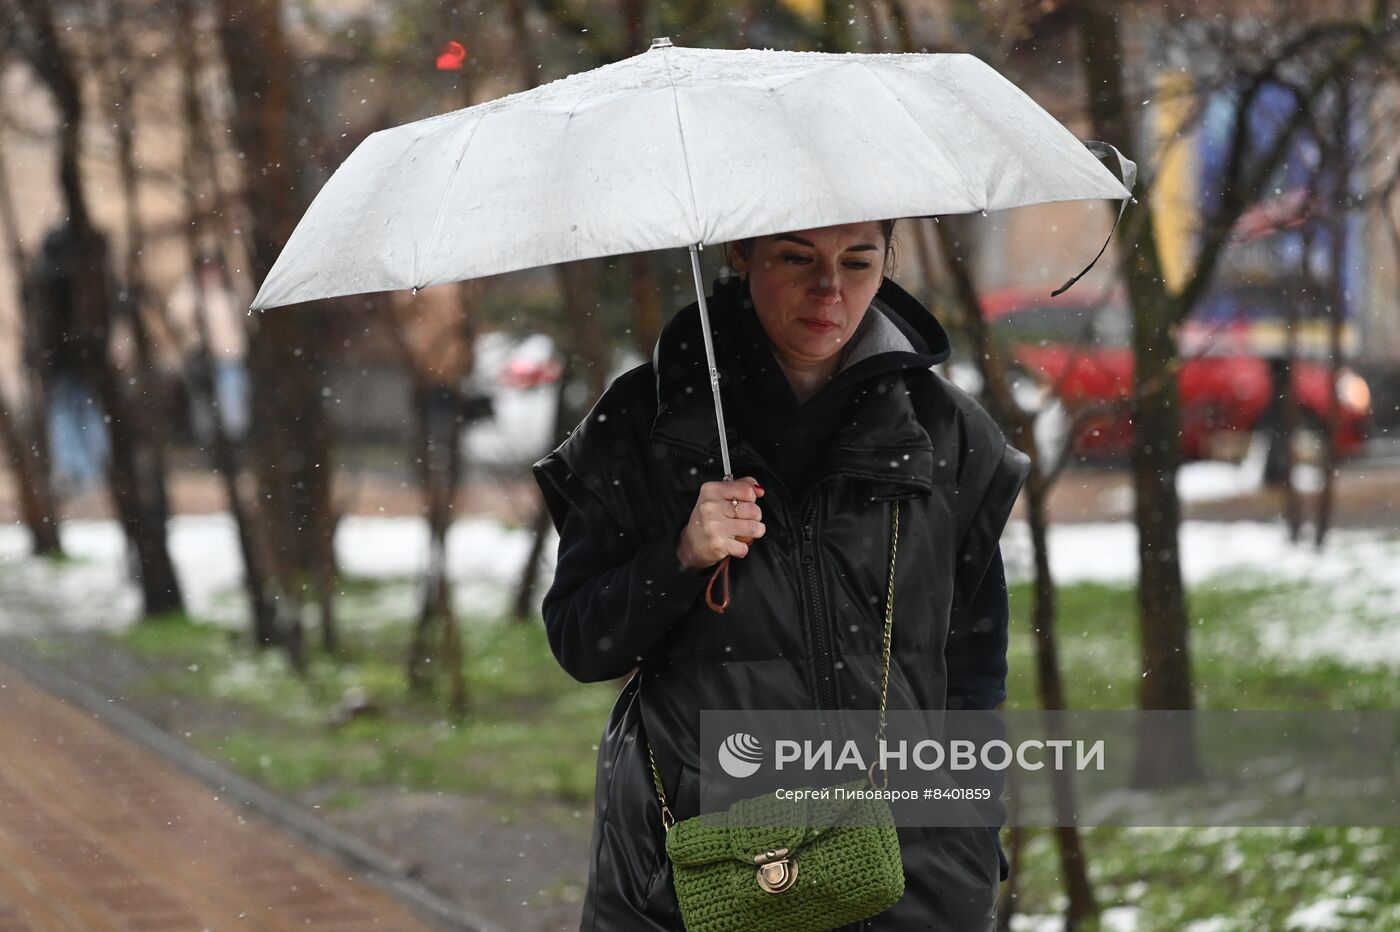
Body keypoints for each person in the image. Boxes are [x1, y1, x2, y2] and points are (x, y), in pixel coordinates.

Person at [533, 221, 1029, 930]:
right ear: (742, 254)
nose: (830, 289)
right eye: (798, 258)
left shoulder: (944, 432)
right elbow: (582, 641)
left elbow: (973, 658)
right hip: (702, 872)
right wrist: (681, 557)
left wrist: (972, 822)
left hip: (908, 874)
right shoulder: (644, 425)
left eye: (858, 262)